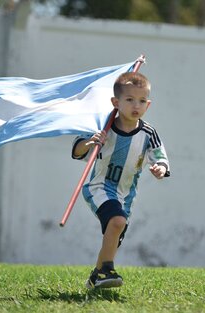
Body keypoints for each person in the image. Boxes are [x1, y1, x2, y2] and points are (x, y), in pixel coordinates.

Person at [71, 72, 170, 289]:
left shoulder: (148, 133)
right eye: (130, 99)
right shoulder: (104, 128)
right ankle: (107, 270)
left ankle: (96, 277)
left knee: (115, 234)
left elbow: (160, 157)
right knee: (117, 222)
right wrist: (90, 142)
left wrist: (160, 168)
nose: (136, 105)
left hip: (126, 196)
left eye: (142, 101)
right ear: (116, 102)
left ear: (148, 104)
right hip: (99, 188)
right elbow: (78, 151)